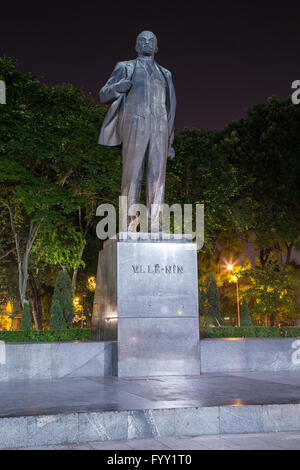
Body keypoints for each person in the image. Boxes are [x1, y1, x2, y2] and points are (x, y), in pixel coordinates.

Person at [98, 31, 176, 231]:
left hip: (160, 126)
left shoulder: (165, 73)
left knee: (158, 176)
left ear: (157, 47)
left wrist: (169, 141)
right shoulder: (125, 67)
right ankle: (129, 223)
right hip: (135, 122)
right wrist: (118, 88)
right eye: (142, 40)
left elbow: (171, 107)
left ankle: (155, 223)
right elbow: (103, 94)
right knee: (132, 173)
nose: (147, 43)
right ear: (136, 46)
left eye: (151, 41)